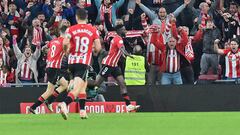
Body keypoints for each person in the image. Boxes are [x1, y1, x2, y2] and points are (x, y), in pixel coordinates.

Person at [58, 8, 101, 120]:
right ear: (86, 18)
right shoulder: (93, 30)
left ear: (76, 17)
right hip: (83, 62)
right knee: (77, 88)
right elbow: (98, 47)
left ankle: (82, 111)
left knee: (83, 85)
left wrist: (66, 51)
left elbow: (65, 42)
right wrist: (94, 51)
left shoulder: (70, 29)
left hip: (71, 63)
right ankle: (64, 104)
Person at [88, 24, 140, 112]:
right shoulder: (118, 39)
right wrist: (127, 54)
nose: (125, 31)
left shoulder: (117, 38)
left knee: (122, 83)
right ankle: (81, 83)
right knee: (96, 83)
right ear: (119, 31)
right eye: (123, 30)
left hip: (114, 66)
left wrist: (124, 55)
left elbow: (119, 51)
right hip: (108, 64)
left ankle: (128, 105)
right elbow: (122, 49)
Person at [28, 26, 69, 114]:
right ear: (66, 33)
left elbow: (43, 48)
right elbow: (67, 52)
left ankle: (49, 101)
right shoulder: (64, 42)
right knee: (49, 90)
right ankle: (33, 107)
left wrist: (48, 55)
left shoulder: (53, 41)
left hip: (50, 66)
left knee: (65, 84)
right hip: (55, 68)